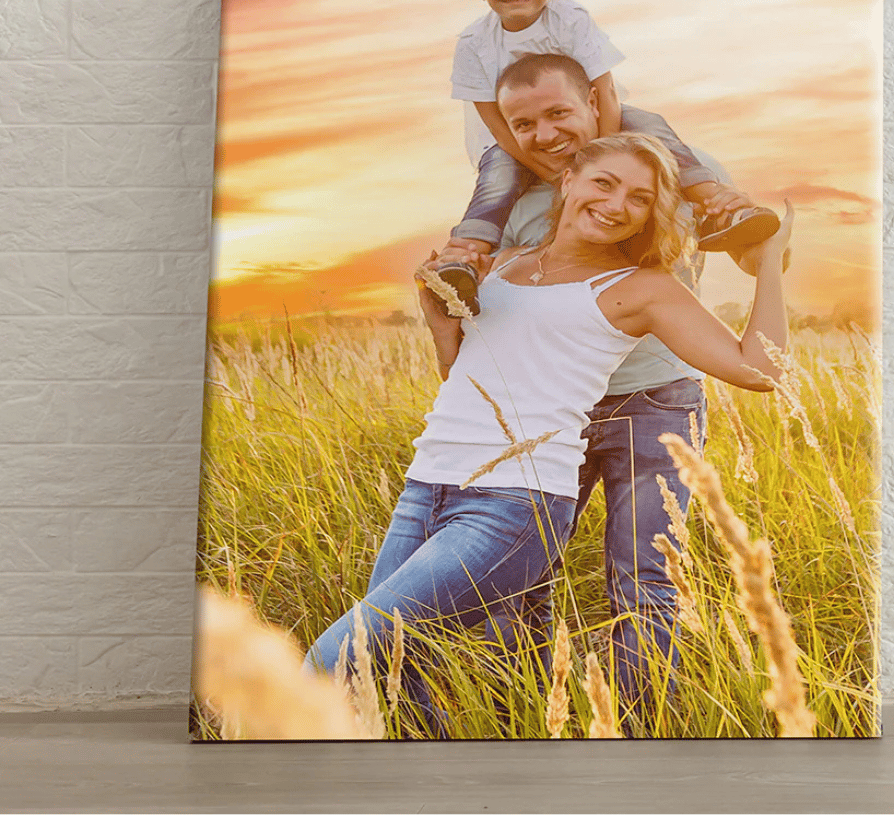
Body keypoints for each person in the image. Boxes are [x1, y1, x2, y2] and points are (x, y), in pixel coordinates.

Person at [304, 130, 793, 737]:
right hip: (425, 489)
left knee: (332, 657)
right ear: (568, 181)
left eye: (639, 199)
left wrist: (769, 259)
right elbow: (465, 379)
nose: (616, 205)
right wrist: (437, 318)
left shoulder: (641, 289)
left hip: (514, 507)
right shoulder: (500, 265)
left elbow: (760, 370)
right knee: (397, 669)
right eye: (604, 183)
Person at [468, 52, 779, 725]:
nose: (547, 134)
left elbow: (746, 248)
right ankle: (522, 715)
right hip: (553, 411)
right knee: (518, 578)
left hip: (658, 401)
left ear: (595, 104)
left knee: (645, 578)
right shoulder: (514, 204)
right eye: (526, 123)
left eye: (560, 113)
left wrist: (771, 256)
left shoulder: (674, 171)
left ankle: (637, 729)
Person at [440, 0, 779, 312]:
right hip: (506, 145)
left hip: (609, 126)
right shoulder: (473, 45)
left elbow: (608, 91)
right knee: (497, 178)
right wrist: (552, 174)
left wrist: (603, 158)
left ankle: (716, 206)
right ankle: (464, 255)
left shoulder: (568, 18)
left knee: (647, 124)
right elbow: (495, 123)